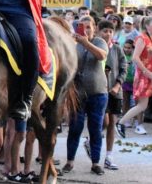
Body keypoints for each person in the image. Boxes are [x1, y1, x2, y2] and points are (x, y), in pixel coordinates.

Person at [62, 16, 108, 176]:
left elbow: (101, 56)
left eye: (89, 27)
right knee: (75, 128)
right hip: (78, 94)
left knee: (95, 129)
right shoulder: (75, 45)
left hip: (98, 93)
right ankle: (70, 162)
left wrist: (86, 43)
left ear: (94, 28)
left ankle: (96, 163)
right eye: (83, 27)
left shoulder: (99, 41)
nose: (86, 30)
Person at [98, 19, 126, 170]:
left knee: (112, 124)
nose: (108, 34)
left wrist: (117, 84)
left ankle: (109, 156)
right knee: (104, 122)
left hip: (116, 92)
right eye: (105, 31)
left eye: (110, 31)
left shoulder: (117, 49)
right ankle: (91, 141)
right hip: (100, 92)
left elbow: (123, 68)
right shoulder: (95, 47)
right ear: (99, 31)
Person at [117, 16, 152, 137]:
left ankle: (121, 123)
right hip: (144, 76)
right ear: (147, 25)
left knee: (143, 105)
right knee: (142, 105)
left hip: (149, 75)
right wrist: (146, 72)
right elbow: (135, 57)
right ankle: (121, 123)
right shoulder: (142, 38)